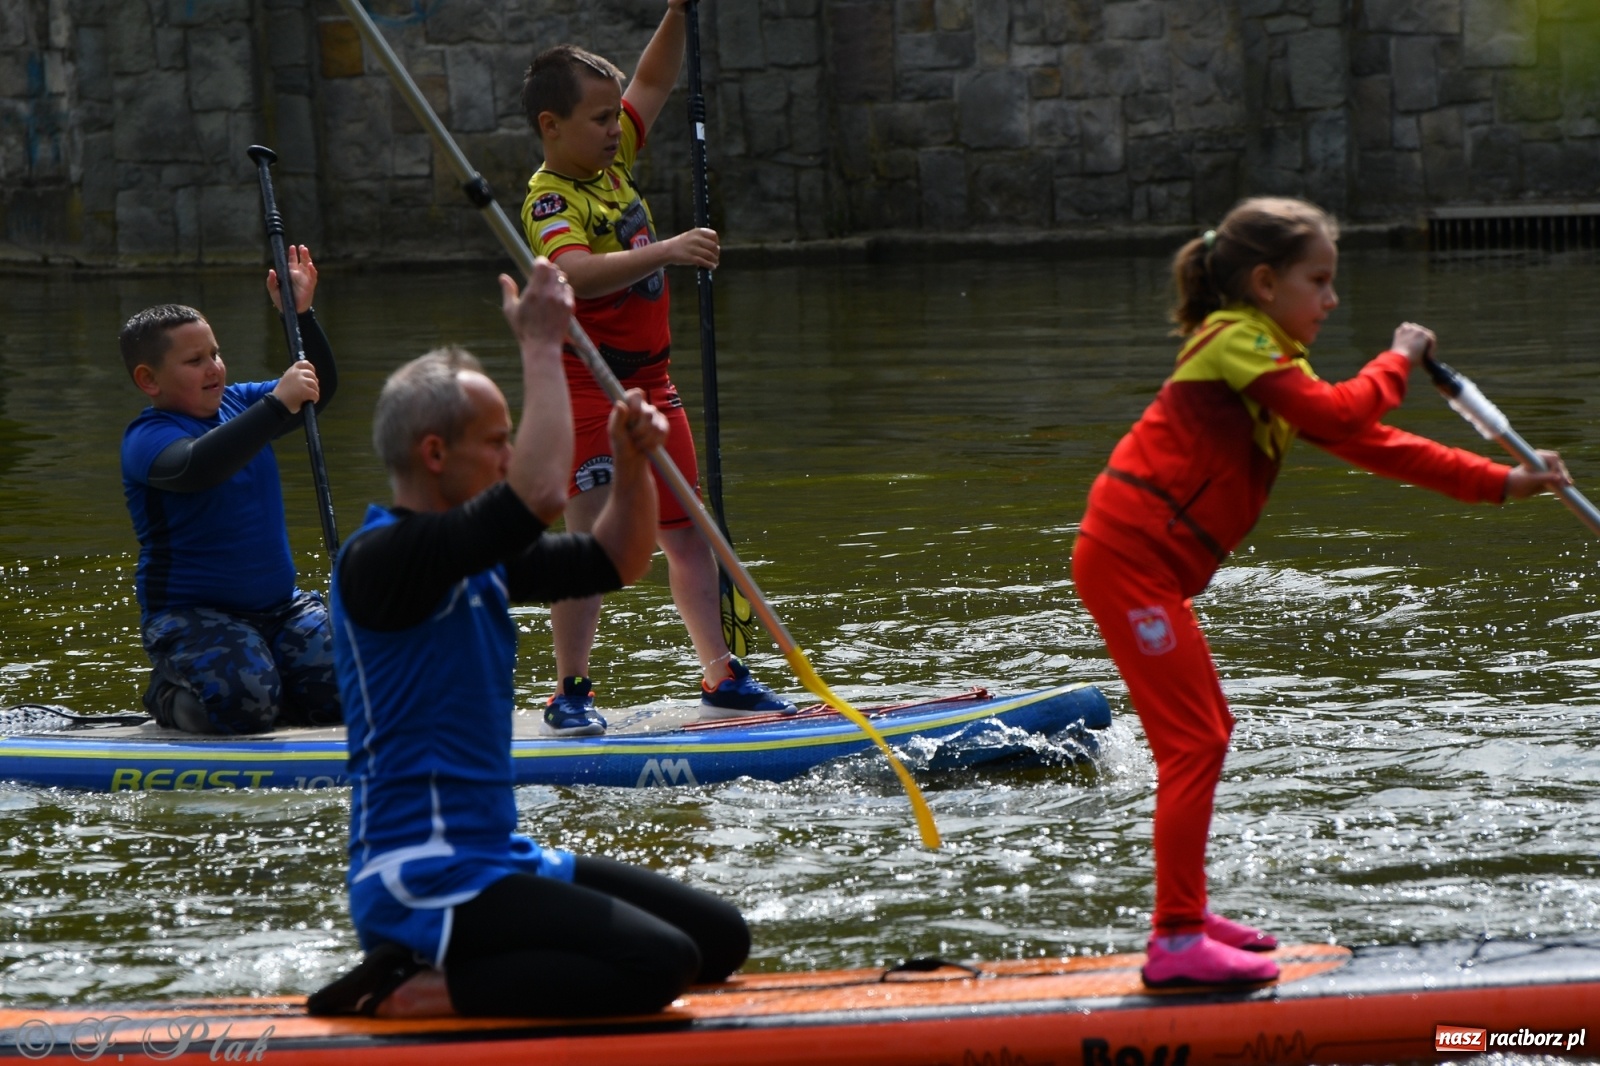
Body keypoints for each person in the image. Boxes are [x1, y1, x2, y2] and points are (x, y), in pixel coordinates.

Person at [1071, 197, 1572, 989]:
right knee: (1195, 741)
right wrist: (1398, 359)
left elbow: (1379, 444)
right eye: (1321, 281)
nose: (1332, 300)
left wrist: (1505, 481)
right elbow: (1345, 407)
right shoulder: (1233, 340)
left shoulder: (1272, 364)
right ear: (1266, 283)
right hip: (1129, 560)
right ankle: (1174, 943)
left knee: (1206, 733)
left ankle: (1189, 914)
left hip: (1149, 568)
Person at [306, 262, 749, 1019]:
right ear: (435, 453)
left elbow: (617, 560)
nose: (510, 455)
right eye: (497, 441)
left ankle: (478, 965)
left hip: (500, 859)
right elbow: (540, 496)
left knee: (720, 939)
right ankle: (410, 990)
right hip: (424, 875)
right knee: (659, 962)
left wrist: (634, 463)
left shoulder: (479, 561)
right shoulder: (383, 562)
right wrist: (543, 347)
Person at [518, 0, 795, 737]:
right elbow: (573, 272)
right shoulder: (549, 197)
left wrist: (679, 9)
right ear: (552, 126)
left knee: (688, 535)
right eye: (600, 120)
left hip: (655, 383)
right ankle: (569, 691)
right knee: (587, 548)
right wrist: (669, 250)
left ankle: (720, 676)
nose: (617, 129)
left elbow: (655, 78)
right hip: (591, 389)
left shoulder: (614, 168)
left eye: (616, 117)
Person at [119, 245, 340, 735]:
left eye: (216, 353)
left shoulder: (241, 402)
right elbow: (198, 467)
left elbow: (314, 392)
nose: (215, 367)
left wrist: (299, 315)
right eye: (195, 360)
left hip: (282, 609)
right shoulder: (147, 438)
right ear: (148, 380)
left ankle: (283, 681)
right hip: (192, 615)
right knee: (243, 708)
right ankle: (170, 693)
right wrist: (277, 406)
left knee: (358, 690)